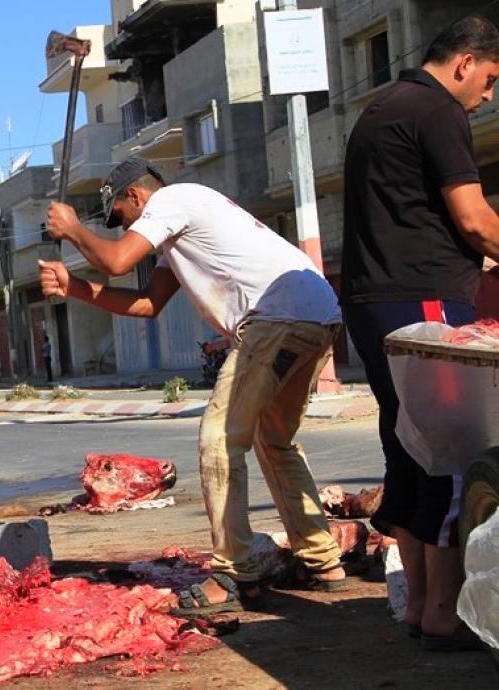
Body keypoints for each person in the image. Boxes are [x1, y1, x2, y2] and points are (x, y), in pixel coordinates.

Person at [38, 156, 345, 615]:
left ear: (136, 195)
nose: (125, 229)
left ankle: (234, 572)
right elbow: (148, 303)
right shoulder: (186, 220)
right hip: (316, 316)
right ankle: (323, 561)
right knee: (273, 441)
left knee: (220, 439)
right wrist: (76, 287)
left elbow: (117, 262)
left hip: (276, 319)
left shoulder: (172, 201)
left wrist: (73, 229)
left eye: (121, 217)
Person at [341, 15, 499, 651]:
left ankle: (418, 607)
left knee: (407, 444)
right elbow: (474, 218)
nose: (487, 95)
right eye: (490, 78)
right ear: (464, 63)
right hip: (423, 300)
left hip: (376, 300)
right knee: (454, 453)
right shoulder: (438, 112)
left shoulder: (382, 108)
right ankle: (443, 613)